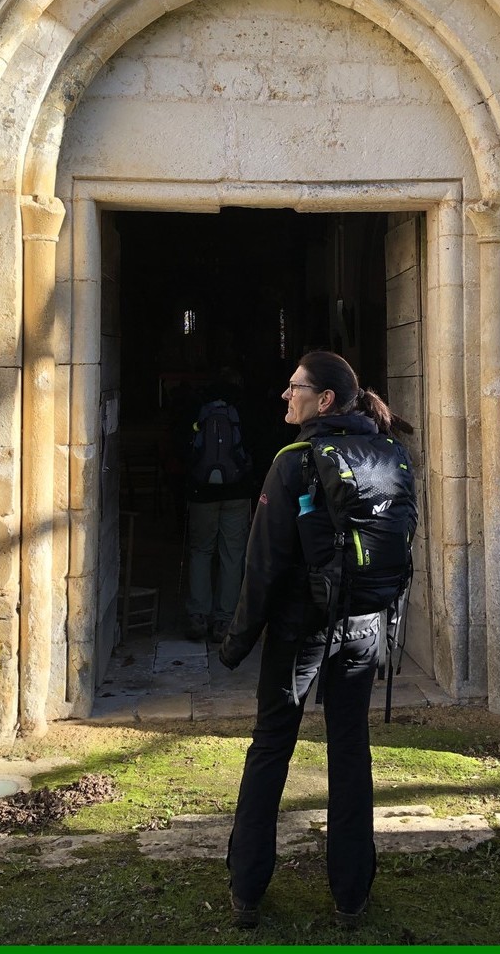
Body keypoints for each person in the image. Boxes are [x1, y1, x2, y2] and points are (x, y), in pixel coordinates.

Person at [219, 350, 416, 928]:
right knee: (350, 749)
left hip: (299, 630)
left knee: (271, 744)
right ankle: (351, 895)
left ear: (324, 400)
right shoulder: (386, 451)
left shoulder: (293, 462)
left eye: (295, 387)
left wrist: (237, 643)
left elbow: (263, 567)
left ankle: (247, 889)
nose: (286, 395)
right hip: (364, 626)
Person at [184, 369, 255, 643]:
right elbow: (255, 444)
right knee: (233, 553)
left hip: (201, 492)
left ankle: (198, 615)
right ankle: (225, 619)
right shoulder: (243, 409)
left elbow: (184, 445)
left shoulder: (197, 409)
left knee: (201, 551)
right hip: (238, 491)